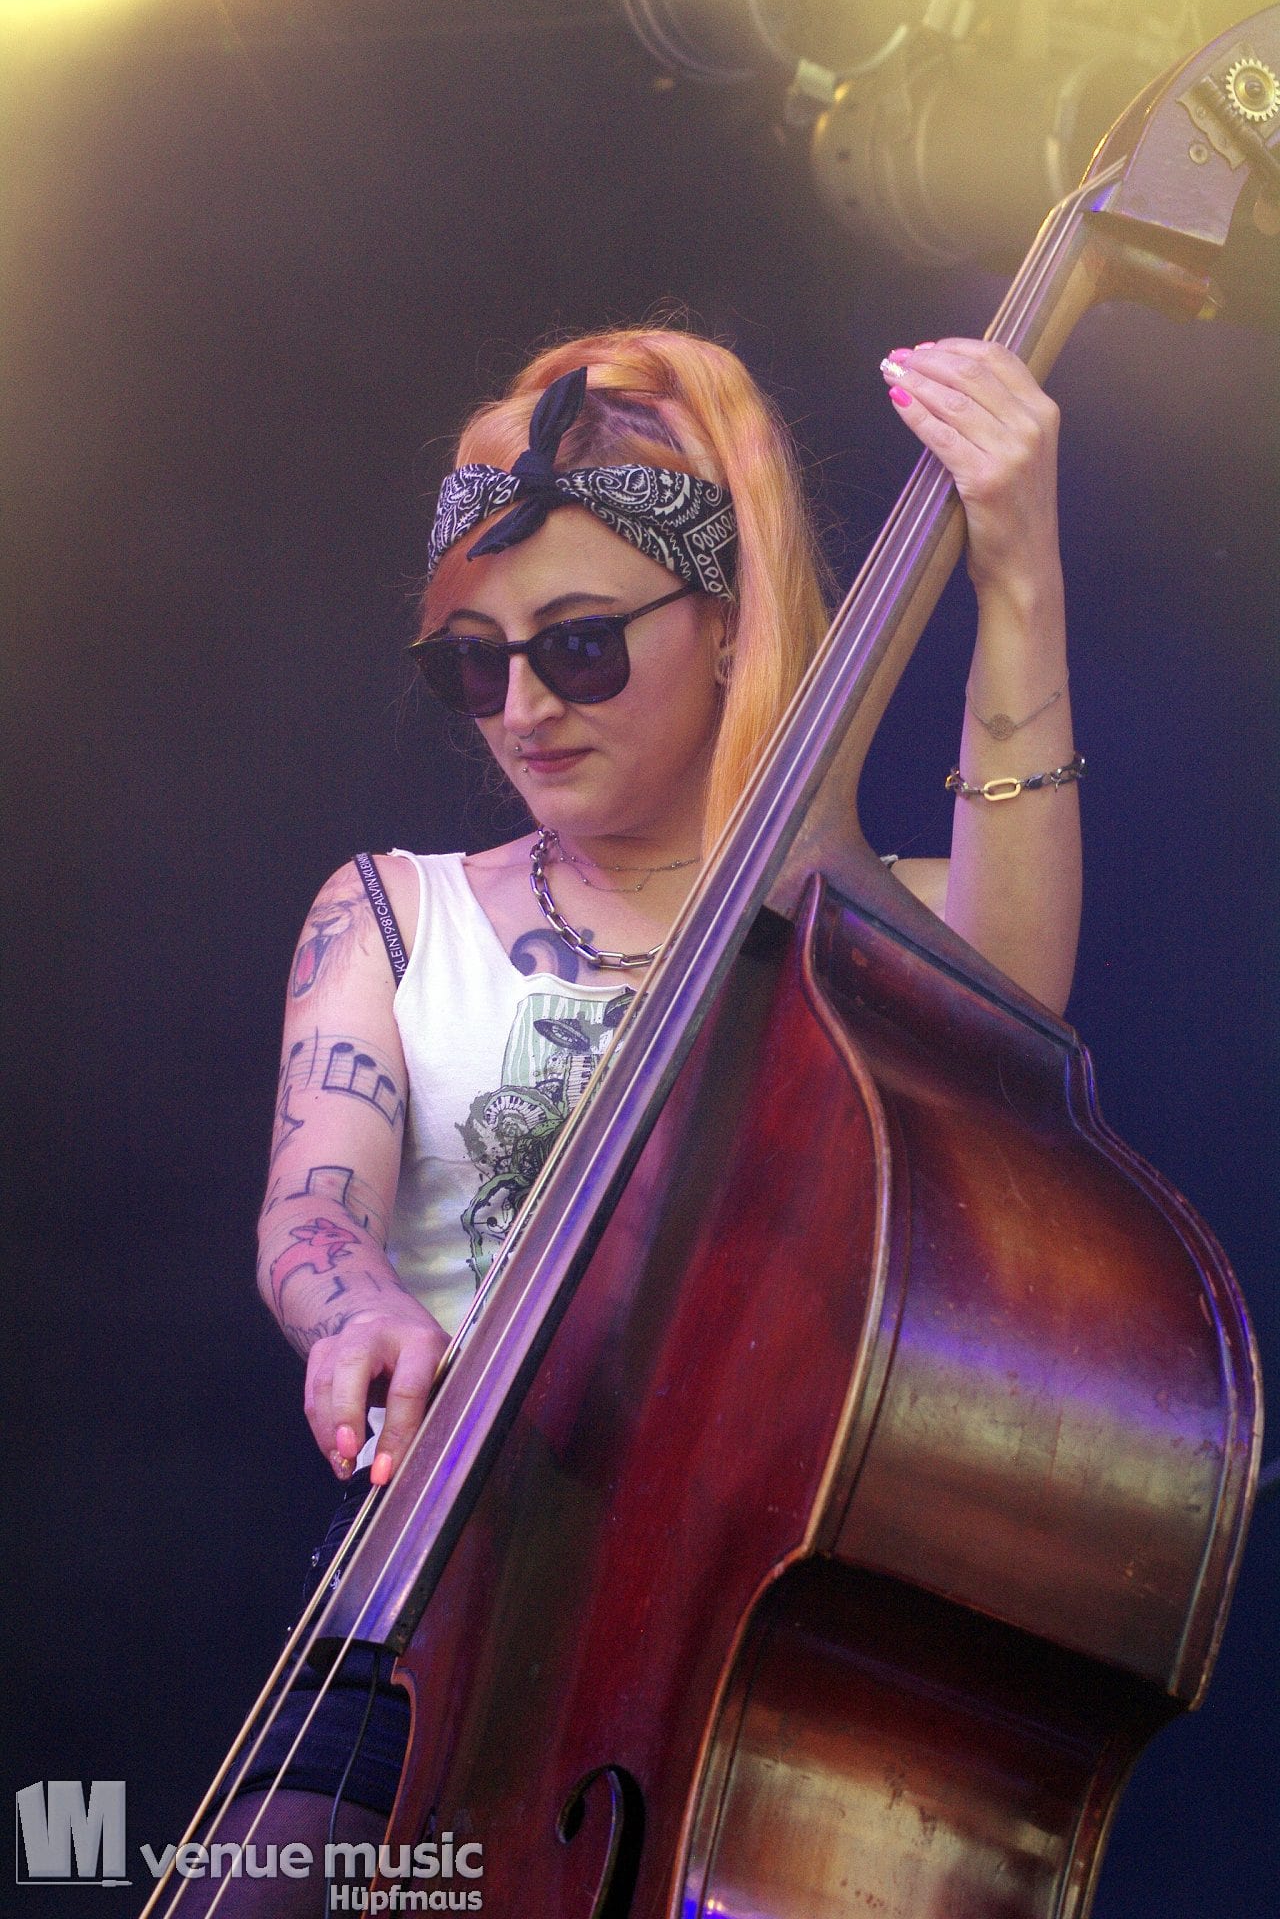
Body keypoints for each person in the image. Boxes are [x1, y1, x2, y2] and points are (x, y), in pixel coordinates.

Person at [194, 325, 1079, 1913]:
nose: (523, 707)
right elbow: (312, 1211)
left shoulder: (879, 943)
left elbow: (1013, 1012)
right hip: (426, 1631)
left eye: (583, 646)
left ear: (727, 624)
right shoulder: (389, 914)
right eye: (474, 664)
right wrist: (359, 1310)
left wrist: (1016, 570)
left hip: (735, 1663)